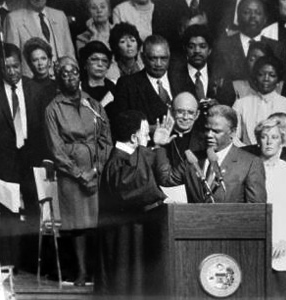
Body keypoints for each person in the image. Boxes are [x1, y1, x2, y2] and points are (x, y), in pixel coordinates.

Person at [45, 56, 112, 286]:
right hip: (71, 177)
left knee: (96, 224)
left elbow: (106, 140)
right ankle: (82, 272)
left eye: (74, 71)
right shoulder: (53, 109)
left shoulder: (93, 104)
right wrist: (79, 174)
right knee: (77, 226)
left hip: (96, 173)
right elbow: (56, 150)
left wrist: (97, 169)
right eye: (64, 73)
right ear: (58, 77)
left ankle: (99, 272)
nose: (70, 76)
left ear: (79, 75)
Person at [95, 110, 167, 298]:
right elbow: (135, 188)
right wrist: (155, 146)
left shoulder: (127, 159)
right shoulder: (118, 162)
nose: (148, 138)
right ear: (134, 138)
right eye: (145, 134)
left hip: (128, 236)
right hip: (124, 239)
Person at [156, 104, 267, 204]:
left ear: (232, 132)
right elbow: (166, 180)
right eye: (207, 129)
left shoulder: (250, 163)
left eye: (216, 131)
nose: (209, 135)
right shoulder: (192, 159)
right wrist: (159, 146)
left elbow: (256, 211)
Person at [0, 43, 47, 268]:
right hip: (5, 159)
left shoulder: (35, 89)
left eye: (15, 66)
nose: (11, 71)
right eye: (6, 67)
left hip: (32, 157)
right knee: (8, 211)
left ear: (22, 64)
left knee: (34, 209)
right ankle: (10, 262)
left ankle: (32, 262)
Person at [255, 118, 286, 299]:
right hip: (256, 242)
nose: (268, 142)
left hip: (282, 246)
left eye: (274, 137)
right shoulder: (249, 166)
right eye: (264, 137)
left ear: (282, 140)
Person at [233, 55, 286, 151]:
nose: (266, 79)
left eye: (272, 75)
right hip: (248, 158)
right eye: (261, 74)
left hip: (280, 159)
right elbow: (232, 137)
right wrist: (248, 151)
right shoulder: (241, 104)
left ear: (278, 80)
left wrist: (274, 150)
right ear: (255, 77)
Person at [213, 0, 286, 81]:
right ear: (237, 18)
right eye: (246, 12)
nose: (253, 16)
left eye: (258, 13)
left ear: (265, 19)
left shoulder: (277, 49)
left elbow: (283, 84)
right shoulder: (223, 46)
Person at [114, 35, 176, 127]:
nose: (158, 64)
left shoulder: (181, 80)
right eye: (153, 58)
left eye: (163, 58)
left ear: (169, 57)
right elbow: (121, 124)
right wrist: (149, 130)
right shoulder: (127, 85)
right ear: (143, 58)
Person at [170, 24, 236, 110]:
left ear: (209, 50)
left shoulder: (220, 73)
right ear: (185, 49)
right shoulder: (175, 76)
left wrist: (219, 106)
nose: (197, 51)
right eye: (191, 46)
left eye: (202, 46)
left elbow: (229, 102)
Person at [4, 0, 75, 78]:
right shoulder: (14, 19)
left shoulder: (60, 16)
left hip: (62, 81)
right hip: (32, 84)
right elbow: (12, 59)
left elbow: (70, 52)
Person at [79, 40, 117, 125]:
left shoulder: (117, 88)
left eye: (104, 60)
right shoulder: (78, 89)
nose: (100, 64)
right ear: (85, 63)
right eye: (94, 59)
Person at [165, 92, 206, 167]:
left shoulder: (205, 142)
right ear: (171, 112)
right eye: (180, 112)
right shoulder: (161, 140)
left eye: (190, 113)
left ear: (197, 115)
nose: (185, 117)